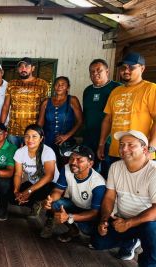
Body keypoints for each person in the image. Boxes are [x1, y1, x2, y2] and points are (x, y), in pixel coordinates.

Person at [92, 130, 156, 266]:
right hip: (120, 219)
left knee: (152, 230)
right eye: (121, 144)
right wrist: (104, 220)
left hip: (145, 222)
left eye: (131, 145)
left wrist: (129, 223)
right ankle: (131, 241)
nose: (124, 148)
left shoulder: (153, 171)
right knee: (98, 242)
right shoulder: (115, 167)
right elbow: (109, 197)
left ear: (144, 149)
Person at [97, 52, 156, 163]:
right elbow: (108, 120)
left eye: (131, 67)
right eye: (123, 67)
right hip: (116, 151)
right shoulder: (115, 92)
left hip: (140, 153)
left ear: (142, 69)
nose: (126, 70)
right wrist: (101, 144)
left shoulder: (151, 89)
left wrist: (151, 148)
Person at [41, 145, 106, 242]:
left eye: (79, 160)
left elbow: (94, 213)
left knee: (88, 230)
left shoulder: (98, 183)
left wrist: (69, 217)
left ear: (90, 164)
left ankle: (76, 227)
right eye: (71, 158)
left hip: (88, 212)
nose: (73, 162)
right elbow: (58, 191)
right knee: (55, 203)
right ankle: (73, 230)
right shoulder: (67, 168)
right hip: (74, 204)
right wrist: (50, 200)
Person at [82, 59, 120, 178]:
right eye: (92, 71)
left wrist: (103, 142)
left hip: (109, 139)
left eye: (99, 70)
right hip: (89, 138)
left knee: (108, 171)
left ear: (107, 71)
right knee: (88, 170)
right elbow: (86, 114)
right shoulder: (88, 91)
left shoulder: (117, 88)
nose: (95, 73)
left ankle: (107, 195)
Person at [0, 57, 49, 147]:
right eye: (21, 67)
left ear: (33, 68)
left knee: (29, 158)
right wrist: (1, 126)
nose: (23, 69)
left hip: (32, 131)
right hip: (13, 131)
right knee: (13, 156)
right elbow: (6, 106)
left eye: (26, 66)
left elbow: (44, 108)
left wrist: (39, 128)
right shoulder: (11, 84)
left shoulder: (42, 84)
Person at [13, 124, 59, 217]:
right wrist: (17, 192)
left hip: (50, 184)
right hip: (33, 183)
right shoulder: (20, 152)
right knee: (11, 195)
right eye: (27, 136)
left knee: (46, 193)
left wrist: (28, 191)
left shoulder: (47, 151)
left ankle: (44, 211)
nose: (30, 140)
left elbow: (49, 176)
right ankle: (35, 204)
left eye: (34, 136)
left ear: (41, 138)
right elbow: (18, 174)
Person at [37, 76, 83, 167]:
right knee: (48, 166)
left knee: (65, 167)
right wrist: (36, 138)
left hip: (66, 142)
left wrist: (66, 136)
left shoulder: (72, 100)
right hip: (48, 140)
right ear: (54, 86)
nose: (59, 86)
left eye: (63, 84)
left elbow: (80, 121)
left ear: (68, 87)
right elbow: (40, 123)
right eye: (57, 84)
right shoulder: (46, 102)